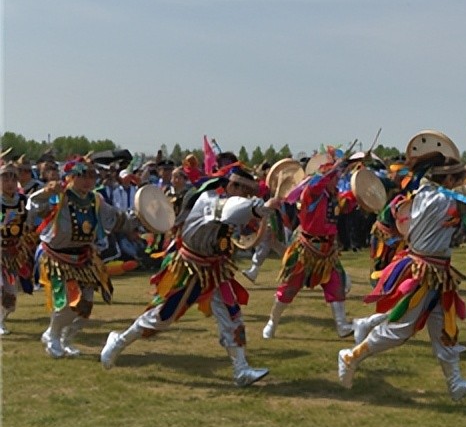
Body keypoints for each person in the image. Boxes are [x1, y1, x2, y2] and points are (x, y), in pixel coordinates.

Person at [338, 132, 466, 401]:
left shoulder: (427, 191)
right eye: (457, 178)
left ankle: (456, 384)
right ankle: (351, 355)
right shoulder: (442, 200)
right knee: (400, 330)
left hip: (436, 273)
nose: (460, 182)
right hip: (425, 272)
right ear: (448, 180)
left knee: (443, 329)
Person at [100, 167, 280, 386]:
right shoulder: (211, 200)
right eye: (245, 190)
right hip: (190, 269)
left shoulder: (231, 203)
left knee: (233, 316)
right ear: (232, 186)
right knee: (162, 317)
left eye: (251, 192)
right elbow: (229, 209)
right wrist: (260, 207)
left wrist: (259, 210)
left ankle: (241, 370)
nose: (248, 196)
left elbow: (237, 222)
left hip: (215, 270)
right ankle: (118, 341)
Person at [28, 159, 136, 358]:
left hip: (83, 257)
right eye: (82, 175)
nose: (88, 180)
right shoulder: (59, 197)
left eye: (91, 176)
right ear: (71, 177)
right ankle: (51, 335)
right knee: (69, 303)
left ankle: (66, 340)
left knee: (85, 307)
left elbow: (117, 218)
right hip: (57, 257)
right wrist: (47, 192)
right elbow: (34, 206)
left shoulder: (96, 200)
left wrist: (142, 216)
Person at [261, 159, 354, 339]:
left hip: (327, 252)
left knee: (336, 284)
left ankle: (342, 325)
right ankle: (272, 322)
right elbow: (318, 182)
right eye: (334, 177)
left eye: (337, 177)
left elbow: (349, 201)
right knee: (288, 288)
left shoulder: (334, 196)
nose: (337, 180)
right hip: (306, 250)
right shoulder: (312, 192)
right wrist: (333, 168)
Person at [1, 161, 38, 335]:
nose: (9, 183)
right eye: (5, 179)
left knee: (11, 296)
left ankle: (1, 319)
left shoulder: (24, 201)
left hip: (13, 253)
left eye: (12, 179)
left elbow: (33, 221)